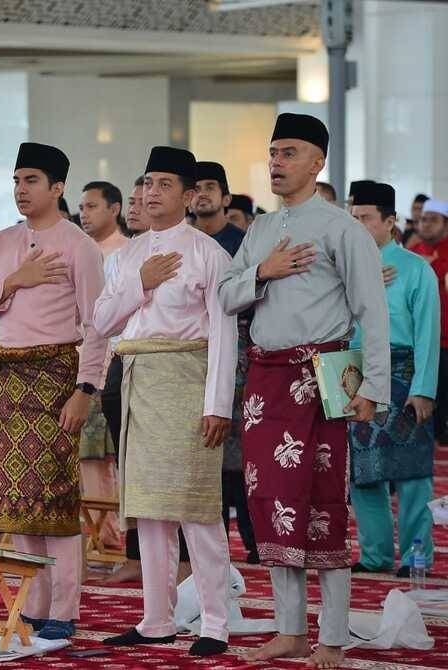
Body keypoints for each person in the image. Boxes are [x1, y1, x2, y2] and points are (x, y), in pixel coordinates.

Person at [217, 113, 390, 668]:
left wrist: (374, 388)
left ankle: (332, 638)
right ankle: (290, 631)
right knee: (272, 506)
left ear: (318, 163)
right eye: (273, 153)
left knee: (321, 509)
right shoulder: (261, 231)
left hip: (319, 382)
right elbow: (225, 297)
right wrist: (262, 272)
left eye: (289, 152)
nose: (276, 162)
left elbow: (373, 312)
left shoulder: (342, 229)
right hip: (265, 383)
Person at [95, 147, 236, 657]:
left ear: (190, 195)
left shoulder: (208, 254)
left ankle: (214, 623)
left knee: (197, 507)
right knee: (150, 510)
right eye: (148, 183)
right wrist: (140, 283)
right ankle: (157, 619)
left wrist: (218, 403)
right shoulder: (126, 256)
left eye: (164, 185)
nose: (152, 193)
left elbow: (224, 334)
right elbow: (103, 319)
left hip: (188, 381)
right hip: (138, 380)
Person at [0, 142, 105, 640]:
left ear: (57, 187)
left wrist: (85, 390)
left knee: (56, 501)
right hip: (8, 382)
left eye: (32, 181)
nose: (22, 190)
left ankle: (63, 610)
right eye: (16, 181)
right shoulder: (2, 243)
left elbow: (97, 326)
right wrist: (15, 281)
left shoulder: (78, 246)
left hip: (56, 381)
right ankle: (32, 606)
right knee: (19, 504)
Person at [347, 182, 439, 579]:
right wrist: (357, 286)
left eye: (365, 218)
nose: (358, 226)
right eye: (353, 219)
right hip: (358, 372)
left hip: (404, 372)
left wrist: (424, 388)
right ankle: (375, 554)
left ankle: (416, 557)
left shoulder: (416, 268)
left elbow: (428, 334)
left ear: (389, 222)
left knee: (413, 473)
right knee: (364, 472)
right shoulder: (342, 268)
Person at [191, 161, 258, 563]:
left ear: (225, 198)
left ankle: (252, 541)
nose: (202, 194)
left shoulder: (243, 242)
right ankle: (209, 547)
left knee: (239, 455)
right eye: (195, 187)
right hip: (194, 357)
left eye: (210, 187)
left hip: (241, 354)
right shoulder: (182, 242)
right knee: (204, 453)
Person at [76, 180, 129, 552]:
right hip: (72, 361)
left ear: (115, 209)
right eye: (82, 206)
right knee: (80, 457)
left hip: (110, 364)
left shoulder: (126, 253)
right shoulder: (78, 250)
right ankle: (86, 533)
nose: (84, 213)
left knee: (102, 457)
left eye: (92, 206)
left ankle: (109, 534)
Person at [411, 198, 448, 442]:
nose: (426, 225)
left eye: (433, 220)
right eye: (423, 219)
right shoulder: (410, 254)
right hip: (420, 341)